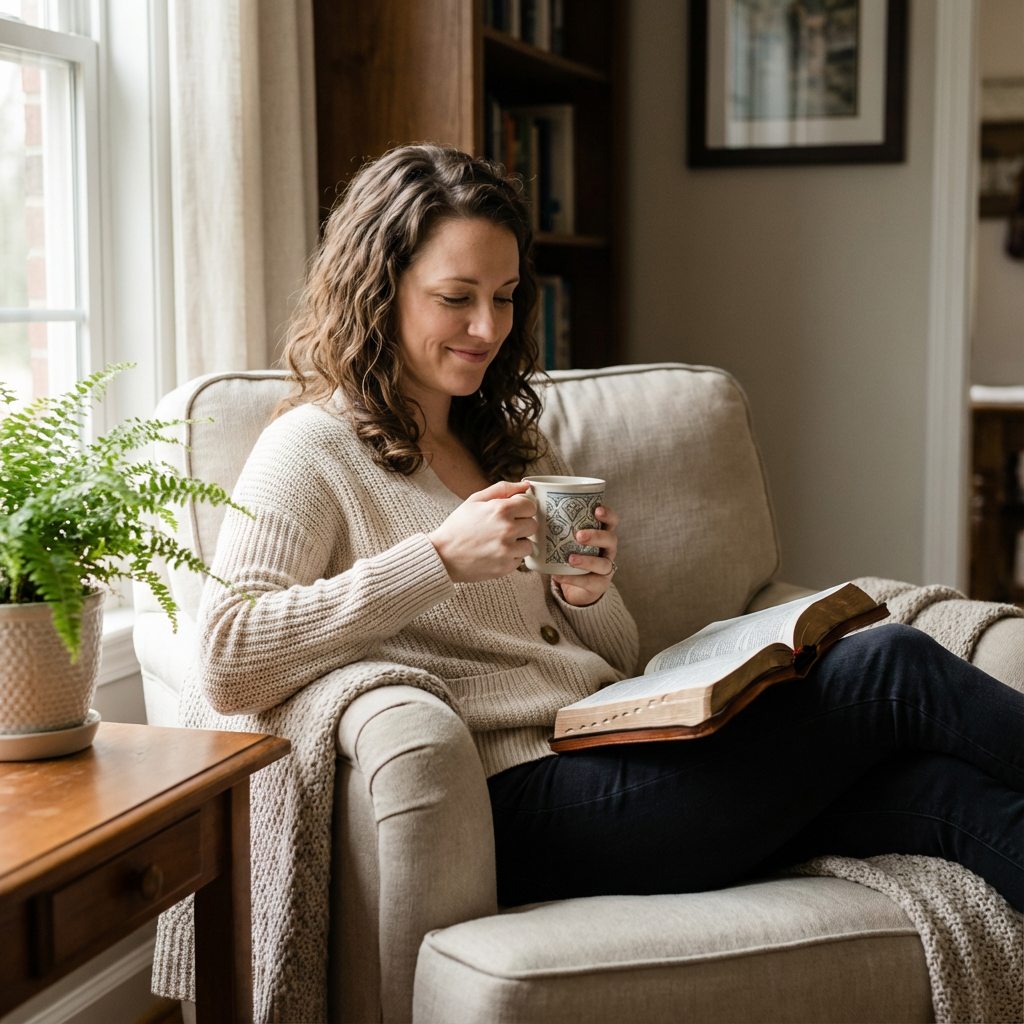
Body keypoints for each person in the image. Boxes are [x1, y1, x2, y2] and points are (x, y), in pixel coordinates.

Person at [197, 144, 1023, 913]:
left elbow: (613, 658)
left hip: (615, 754)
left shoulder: (505, 442)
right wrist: (438, 560)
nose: (489, 328)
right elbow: (227, 657)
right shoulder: (312, 446)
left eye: (507, 296)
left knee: (944, 796)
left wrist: (585, 592)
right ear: (379, 289)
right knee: (889, 665)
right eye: (456, 298)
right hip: (514, 806)